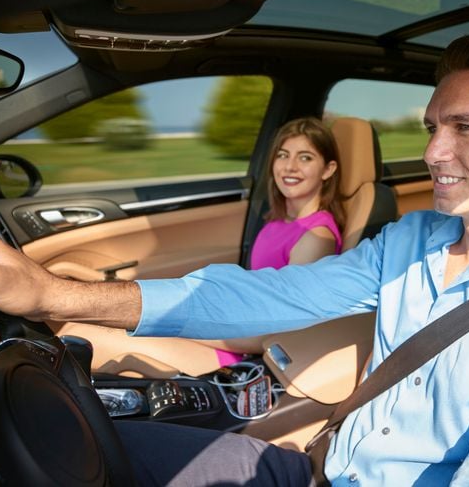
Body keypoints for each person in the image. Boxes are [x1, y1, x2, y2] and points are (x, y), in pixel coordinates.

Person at [0, 35, 469, 486]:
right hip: (314, 470)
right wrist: (54, 294)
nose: (435, 152)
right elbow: (265, 298)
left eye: (464, 128)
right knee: (71, 439)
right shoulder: (413, 240)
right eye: (432, 127)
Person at [55, 116, 346, 374]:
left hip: (243, 354)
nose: (290, 166)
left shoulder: (316, 238)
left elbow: (282, 331)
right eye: (283, 155)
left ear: (328, 169)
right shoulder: (278, 222)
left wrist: (188, 324)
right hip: (230, 329)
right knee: (83, 332)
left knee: (82, 337)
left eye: (305, 158)